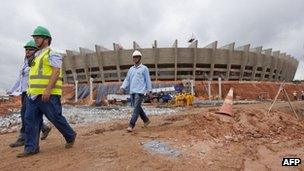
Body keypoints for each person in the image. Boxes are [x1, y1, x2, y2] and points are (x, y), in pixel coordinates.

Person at [17, 26, 77, 158]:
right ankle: (31, 148)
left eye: (37, 37)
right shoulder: (36, 56)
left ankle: (70, 135)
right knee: (30, 120)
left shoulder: (52, 54)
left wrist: (48, 90)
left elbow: (56, 72)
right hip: (32, 95)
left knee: (55, 117)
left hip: (47, 94)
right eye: (34, 37)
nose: (35, 40)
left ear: (46, 39)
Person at [7, 40, 51, 148]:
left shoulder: (35, 62)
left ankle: (23, 137)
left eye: (30, 49)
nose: (27, 51)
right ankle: (44, 128)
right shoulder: (25, 63)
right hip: (24, 91)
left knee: (25, 115)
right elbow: (20, 79)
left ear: (36, 50)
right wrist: (12, 90)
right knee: (31, 115)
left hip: (32, 91)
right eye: (26, 49)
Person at [119, 50, 152, 132]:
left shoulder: (144, 68)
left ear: (140, 58)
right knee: (137, 108)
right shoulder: (131, 69)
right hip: (132, 91)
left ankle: (131, 125)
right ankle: (146, 120)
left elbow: (148, 80)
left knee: (136, 109)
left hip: (140, 92)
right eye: (134, 57)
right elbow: (127, 80)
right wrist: (122, 87)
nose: (135, 58)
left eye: (137, 57)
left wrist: (149, 91)